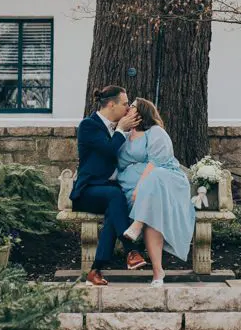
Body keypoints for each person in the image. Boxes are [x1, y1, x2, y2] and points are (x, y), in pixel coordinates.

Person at [70, 85, 147, 286]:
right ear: (111, 104)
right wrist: (121, 129)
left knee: (115, 209)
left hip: (110, 192)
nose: (128, 107)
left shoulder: (119, 130)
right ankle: (131, 250)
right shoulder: (89, 125)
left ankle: (95, 271)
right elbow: (108, 150)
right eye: (124, 104)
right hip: (88, 191)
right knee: (115, 197)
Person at [116, 98, 196, 286]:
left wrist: (140, 188)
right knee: (150, 213)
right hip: (131, 188)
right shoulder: (125, 137)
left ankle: (138, 228)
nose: (128, 108)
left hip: (165, 182)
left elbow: (156, 163)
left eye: (132, 107)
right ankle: (158, 272)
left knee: (151, 202)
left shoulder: (155, 133)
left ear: (141, 112)